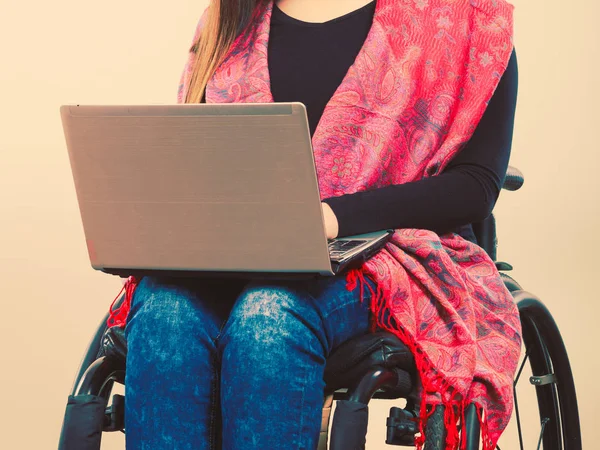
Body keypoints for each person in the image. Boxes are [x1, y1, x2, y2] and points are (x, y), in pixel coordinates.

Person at [110, 0, 523, 448]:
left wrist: (332, 217)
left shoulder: (466, 20)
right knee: (164, 311)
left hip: (382, 252)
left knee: (269, 313)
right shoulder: (231, 18)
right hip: (238, 249)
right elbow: (201, 164)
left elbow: (476, 187)